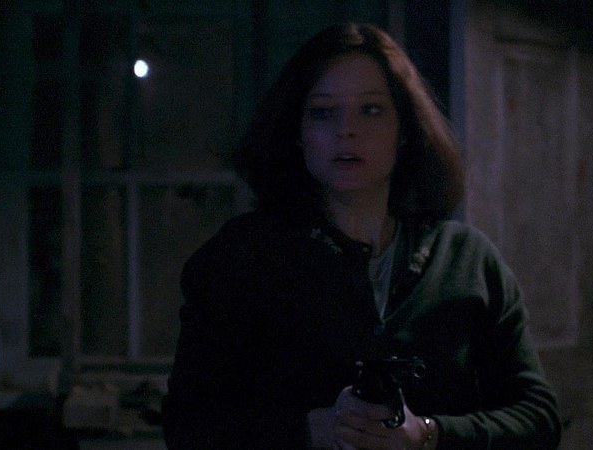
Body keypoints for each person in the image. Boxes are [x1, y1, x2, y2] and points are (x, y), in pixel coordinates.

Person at [160, 22, 561, 449]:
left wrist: (427, 434)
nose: (346, 130)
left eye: (371, 109)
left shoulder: (467, 261)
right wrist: (312, 430)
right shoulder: (240, 260)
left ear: (404, 129)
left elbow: (538, 418)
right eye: (323, 112)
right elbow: (188, 427)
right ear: (297, 133)